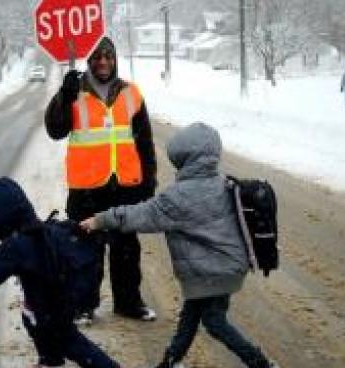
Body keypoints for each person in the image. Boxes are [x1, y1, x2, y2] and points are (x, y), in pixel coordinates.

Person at [80, 123, 276, 368]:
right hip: (226, 265)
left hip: (211, 271)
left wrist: (100, 220)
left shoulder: (179, 197)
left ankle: (260, 363)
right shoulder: (222, 183)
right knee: (191, 315)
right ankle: (170, 362)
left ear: (182, 158)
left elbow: (139, 215)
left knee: (214, 321)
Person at [0, 177, 121, 368]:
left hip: (52, 303)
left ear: (3, 224)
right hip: (57, 296)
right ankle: (50, 360)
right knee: (37, 323)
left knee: (69, 342)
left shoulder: (16, 246)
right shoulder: (42, 230)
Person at [45, 36, 157, 324]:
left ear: (115, 59)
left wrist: (148, 181)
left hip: (124, 186)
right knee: (85, 249)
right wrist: (64, 96)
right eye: (97, 57)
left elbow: (144, 141)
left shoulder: (131, 93)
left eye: (108, 56)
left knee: (126, 249)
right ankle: (82, 306)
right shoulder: (75, 91)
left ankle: (128, 303)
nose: (103, 62)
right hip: (86, 188)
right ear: (89, 60)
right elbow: (55, 130)